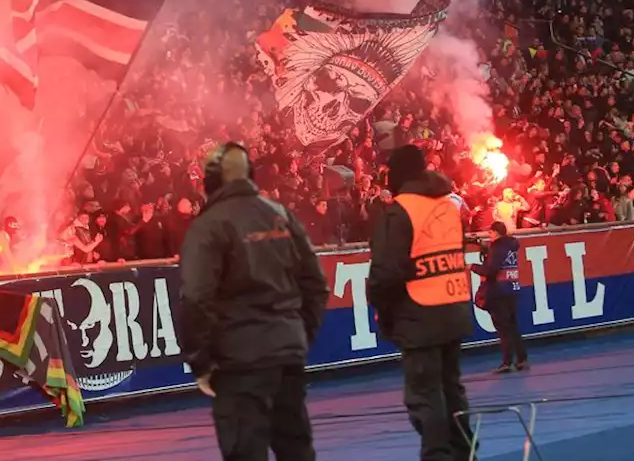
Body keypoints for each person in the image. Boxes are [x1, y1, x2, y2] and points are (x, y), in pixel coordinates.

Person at [181, 141, 330, 461]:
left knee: (245, 451)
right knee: (297, 449)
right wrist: (298, 335)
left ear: (210, 179)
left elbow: (196, 299)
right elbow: (315, 284)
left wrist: (202, 363)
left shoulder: (208, 226)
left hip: (240, 361)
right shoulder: (280, 215)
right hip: (285, 351)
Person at [367, 144, 476, 461]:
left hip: (419, 312)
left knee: (425, 396)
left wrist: (384, 312)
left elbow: (386, 272)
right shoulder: (447, 205)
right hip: (453, 306)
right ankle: (465, 454)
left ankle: (438, 456)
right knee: (452, 390)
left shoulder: (401, 209)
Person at [473, 221, 528, 373]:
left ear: (495, 232)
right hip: (512, 288)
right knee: (512, 326)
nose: (489, 236)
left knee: (503, 329)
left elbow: (490, 270)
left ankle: (507, 362)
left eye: (490, 233)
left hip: (499, 291)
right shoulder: (512, 245)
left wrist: (473, 267)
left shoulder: (497, 247)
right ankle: (521, 359)